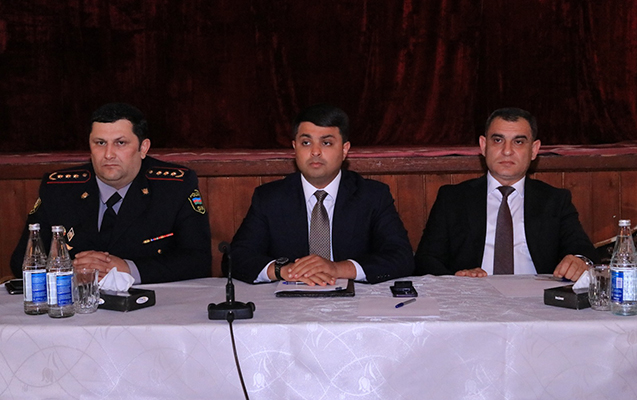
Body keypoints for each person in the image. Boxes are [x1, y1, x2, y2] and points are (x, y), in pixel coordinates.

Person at [10, 103, 212, 283]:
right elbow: (21, 261)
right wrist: (71, 270)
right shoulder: (59, 189)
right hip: (77, 302)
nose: (108, 154)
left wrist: (129, 270)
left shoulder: (174, 187)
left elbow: (199, 260)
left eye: (120, 143)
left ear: (143, 148)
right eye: (100, 143)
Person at [230, 104, 414, 285]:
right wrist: (285, 271)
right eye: (306, 143)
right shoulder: (269, 198)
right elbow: (237, 257)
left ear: (344, 149)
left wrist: (337, 269)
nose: (315, 152)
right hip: (290, 298)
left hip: (354, 299)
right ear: (295, 148)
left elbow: (401, 256)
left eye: (326, 143)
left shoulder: (372, 195)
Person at [414, 107, 598, 280]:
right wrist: (458, 278)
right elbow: (426, 259)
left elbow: (583, 251)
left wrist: (579, 261)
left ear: (534, 150)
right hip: (474, 295)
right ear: (483, 145)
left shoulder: (555, 200)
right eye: (498, 140)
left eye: (518, 142)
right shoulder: (452, 198)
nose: (507, 151)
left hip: (536, 296)